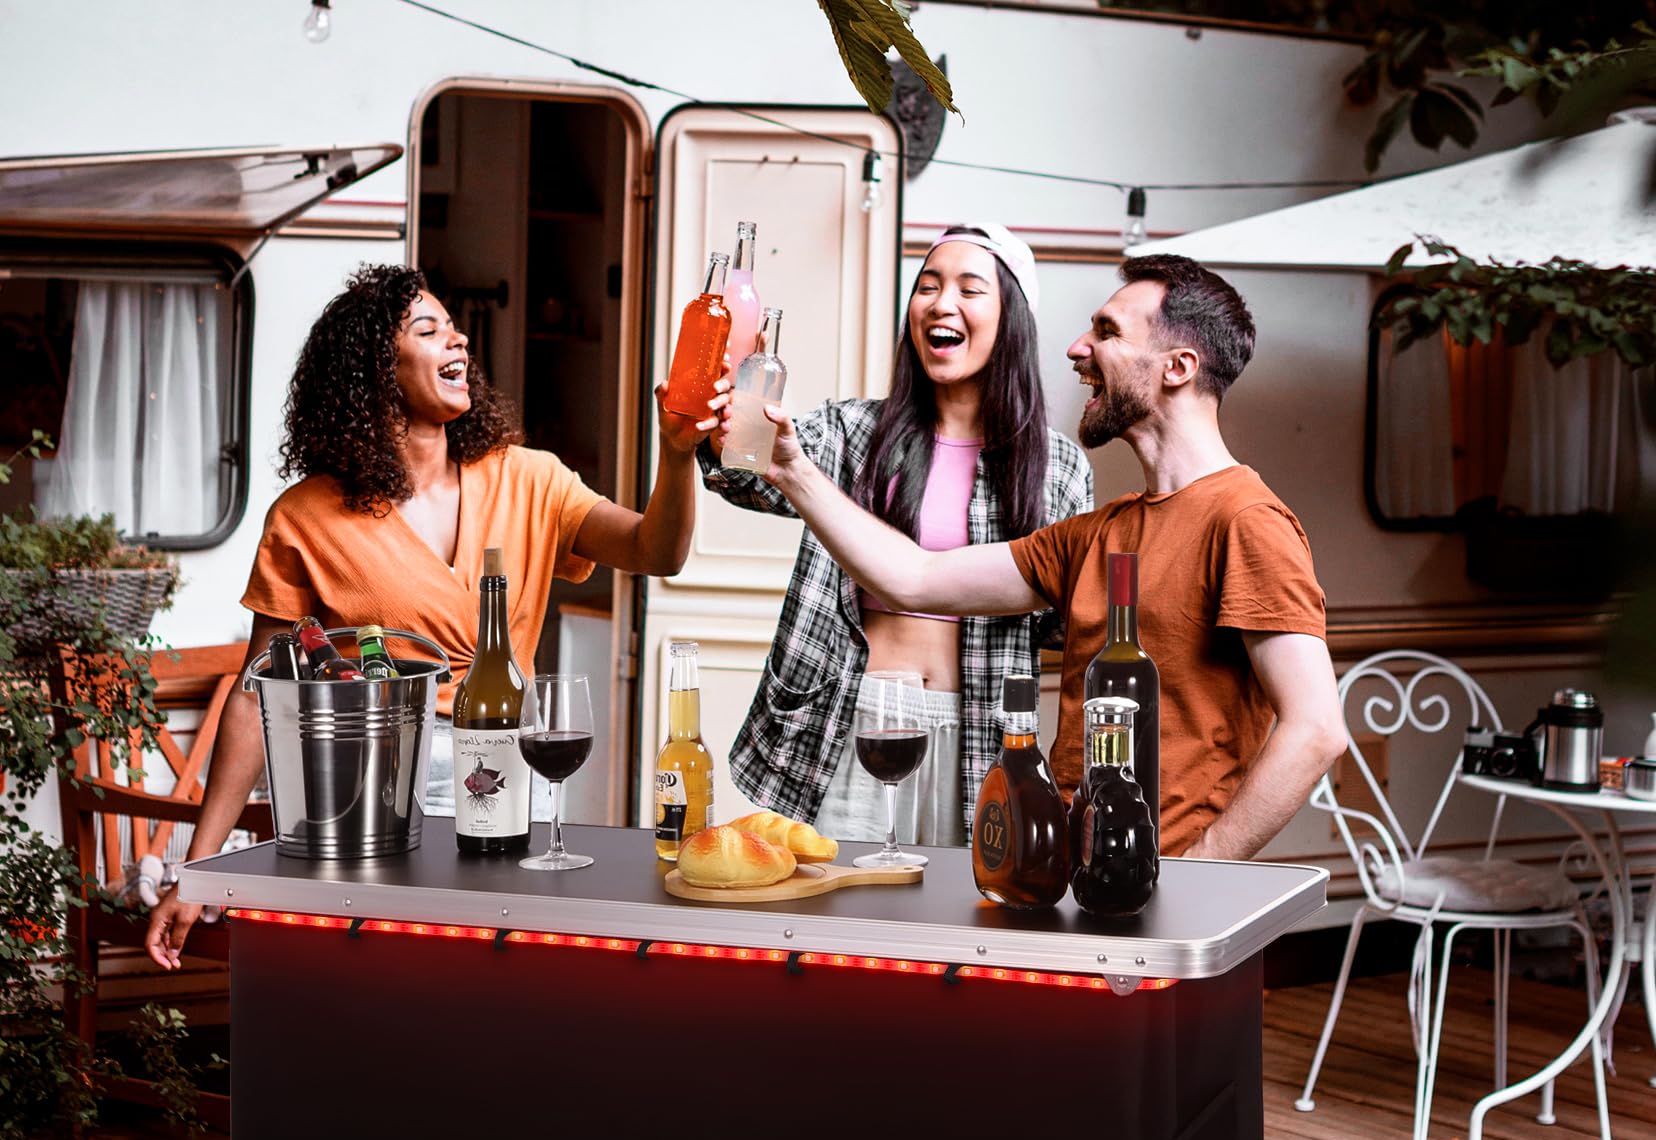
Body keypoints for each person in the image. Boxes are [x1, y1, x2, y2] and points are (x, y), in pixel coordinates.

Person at [146, 262, 721, 969]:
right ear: (375, 371)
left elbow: (656, 551)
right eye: (429, 330)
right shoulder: (305, 517)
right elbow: (254, 696)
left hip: (510, 773)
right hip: (372, 794)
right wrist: (198, 869)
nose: (459, 341)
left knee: (497, 978)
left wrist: (676, 456)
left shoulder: (530, 478)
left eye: (455, 328)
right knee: (387, 984)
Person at [752, 253, 1347, 859]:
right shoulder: (1096, 534)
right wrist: (793, 471)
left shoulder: (1248, 522)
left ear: (1177, 367)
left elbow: (1316, 729)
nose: (1076, 348)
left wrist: (1202, 868)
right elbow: (915, 577)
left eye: (1107, 332)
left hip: (1168, 887)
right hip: (1069, 875)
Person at [698, 223, 1093, 848]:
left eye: (969, 289)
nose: (941, 303)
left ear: (1012, 319)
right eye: (928, 286)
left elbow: (1058, 624)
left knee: (960, 901)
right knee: (843, 895)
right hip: (853, 719)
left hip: (978, 732)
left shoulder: (1058, 466)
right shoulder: (853, 431)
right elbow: (747, 476)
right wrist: (735, 407)